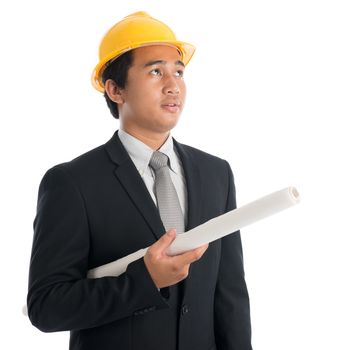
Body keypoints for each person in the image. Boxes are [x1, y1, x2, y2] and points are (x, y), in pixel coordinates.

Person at [27, 11, 252, 350]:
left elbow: (230, 295)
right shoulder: (72, 183)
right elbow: (46, 306)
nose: (173, 84)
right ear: (115, 89)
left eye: (178, 71)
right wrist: (144, 281)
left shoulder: (215, 173)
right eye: (156, 71)